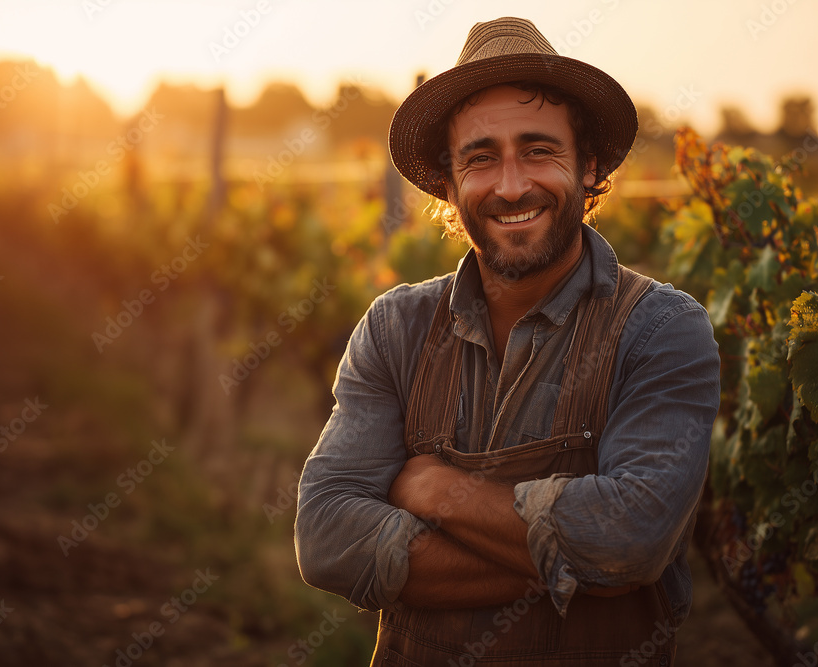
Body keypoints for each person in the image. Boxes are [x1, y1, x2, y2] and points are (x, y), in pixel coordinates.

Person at [294, 16, 720, 666]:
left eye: (539, 149)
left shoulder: (662, 329)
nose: (512, 184)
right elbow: (325, 536)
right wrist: (583, 563)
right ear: (448, 184)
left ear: (590, 165)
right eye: (480, 157)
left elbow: (633, 536)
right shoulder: (395, 328)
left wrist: (435, 491)